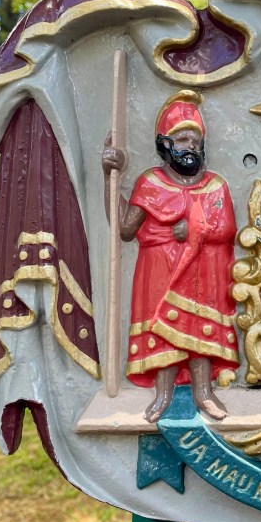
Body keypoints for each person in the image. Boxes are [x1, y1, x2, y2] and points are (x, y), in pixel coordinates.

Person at [102, 90, 238, 422]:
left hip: (202, 274)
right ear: (164, 143)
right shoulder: (149, 183)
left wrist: (193, 229)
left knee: (199, 332)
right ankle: (162, 393)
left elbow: (225, 229)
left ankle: (204, 393)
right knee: (162, 332)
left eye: (195, 139)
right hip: (158, 272)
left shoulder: (215, 186)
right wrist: (110, 177)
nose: (190, 145)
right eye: (182, 138)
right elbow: (124, 229)